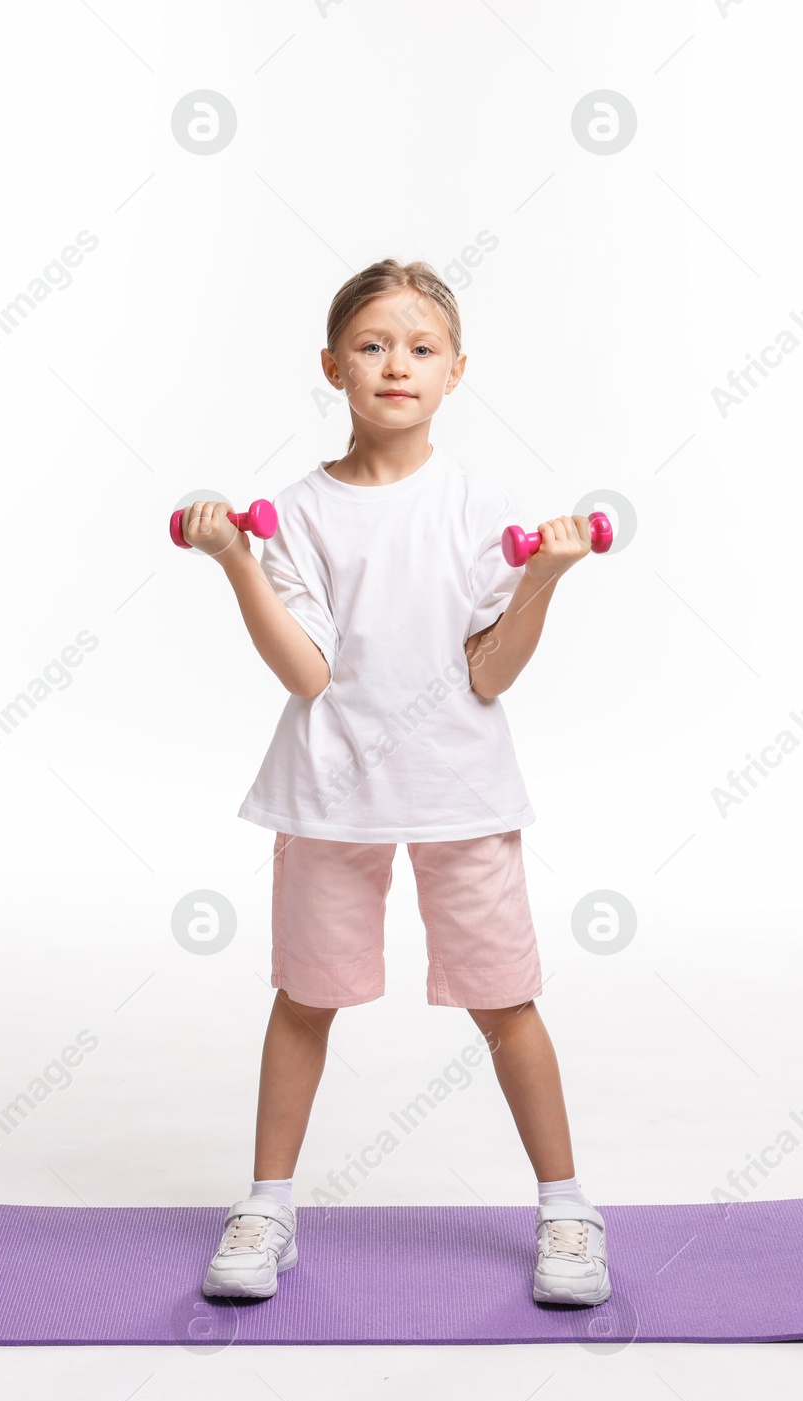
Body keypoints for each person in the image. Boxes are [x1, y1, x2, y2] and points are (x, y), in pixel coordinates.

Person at [178, 258, 609, 1306]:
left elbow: (488, 672)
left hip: (461, 791)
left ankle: (567, 1209)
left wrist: (543, 575)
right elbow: (307, 672)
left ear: (456, 371)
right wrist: (239, 561)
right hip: (330, 794)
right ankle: (269, 1206)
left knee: (506, 1004)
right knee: (304, 999)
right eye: (372, 346)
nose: (395, 365)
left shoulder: (476, 507)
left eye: (419, 348)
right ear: (333, 367)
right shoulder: (299, 514)